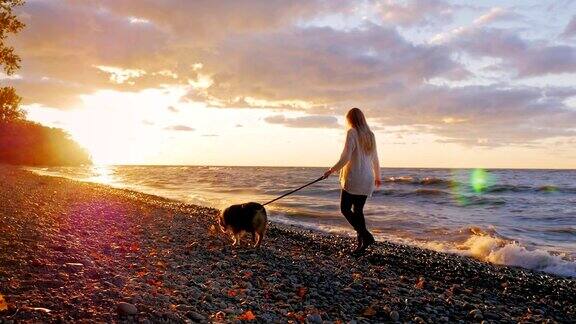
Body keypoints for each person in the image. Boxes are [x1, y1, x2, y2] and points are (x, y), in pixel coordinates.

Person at [323, 108, 381, 255]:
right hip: (367, 178)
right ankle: (361, 244)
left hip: (354, 177)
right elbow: (375, 158)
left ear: (350, 119)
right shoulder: (370, 135)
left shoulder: (352, 133)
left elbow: (346, 158)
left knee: (345, 209)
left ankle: (366, 237)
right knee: (358, 211)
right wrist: (378, 176)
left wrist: (331, 170)